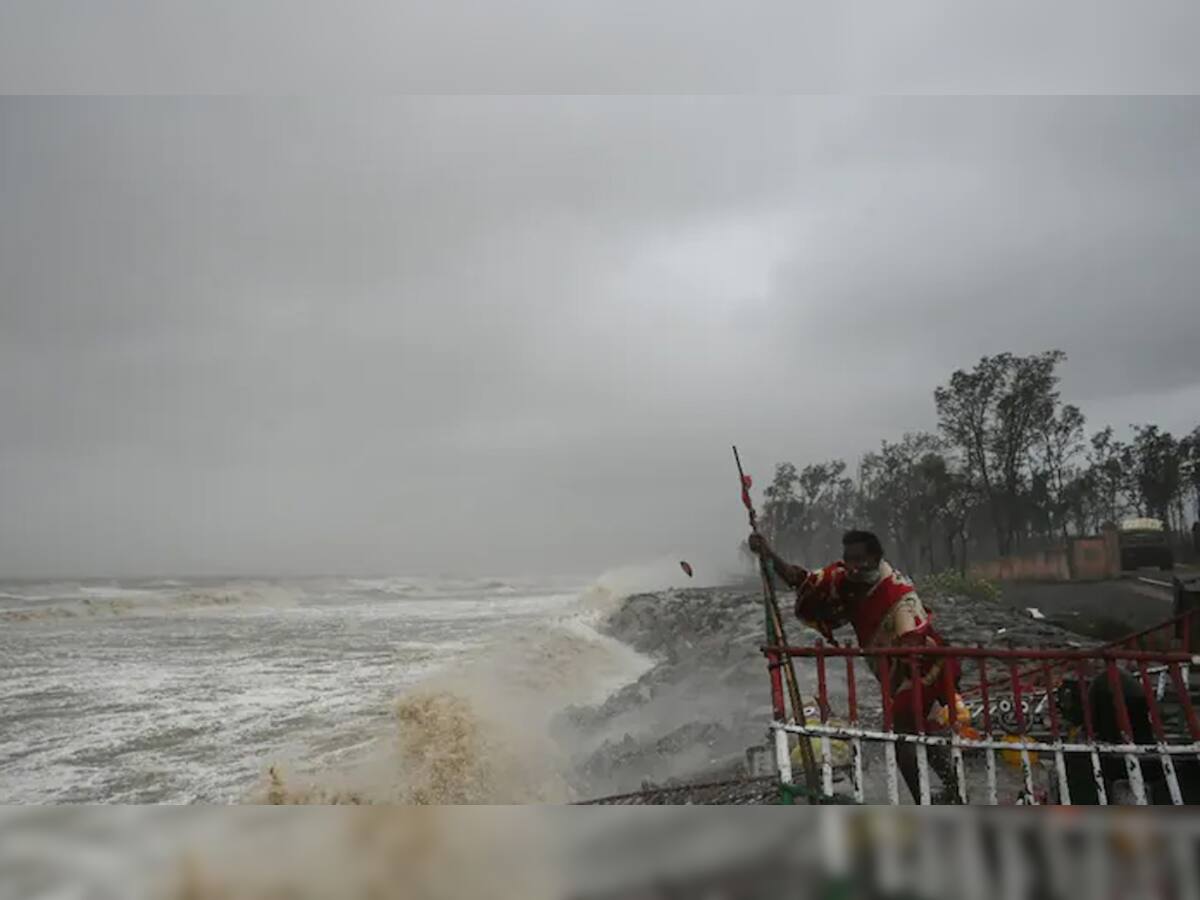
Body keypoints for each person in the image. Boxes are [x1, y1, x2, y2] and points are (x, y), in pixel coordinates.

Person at [748, 528, 961, 803]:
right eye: (848, 559)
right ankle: (954, 793)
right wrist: (768, 553)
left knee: (903, 739)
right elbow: (801, 580)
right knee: (923, 730)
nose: (853, 567)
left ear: (875, 558)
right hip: (895, 671)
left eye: (860, 560)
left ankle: (926, 801)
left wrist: (902, 653)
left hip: (925, 669)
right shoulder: (842, 580)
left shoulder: (898, 595)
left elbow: (913, 641)